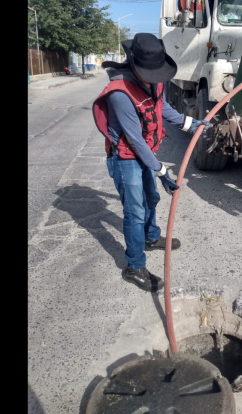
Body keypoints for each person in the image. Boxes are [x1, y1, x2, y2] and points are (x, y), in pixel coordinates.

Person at [93, 33, 213, 291]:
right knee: (135, 211)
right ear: (135, 65)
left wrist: (189, 123)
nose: (155, 77)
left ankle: (150, 236)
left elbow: (161, 107)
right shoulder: (119, 93)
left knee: (152, 198)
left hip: (143, 152)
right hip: (125, 157)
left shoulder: (153, 79)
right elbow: (134, 140)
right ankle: (134, 266)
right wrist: (161, 170)